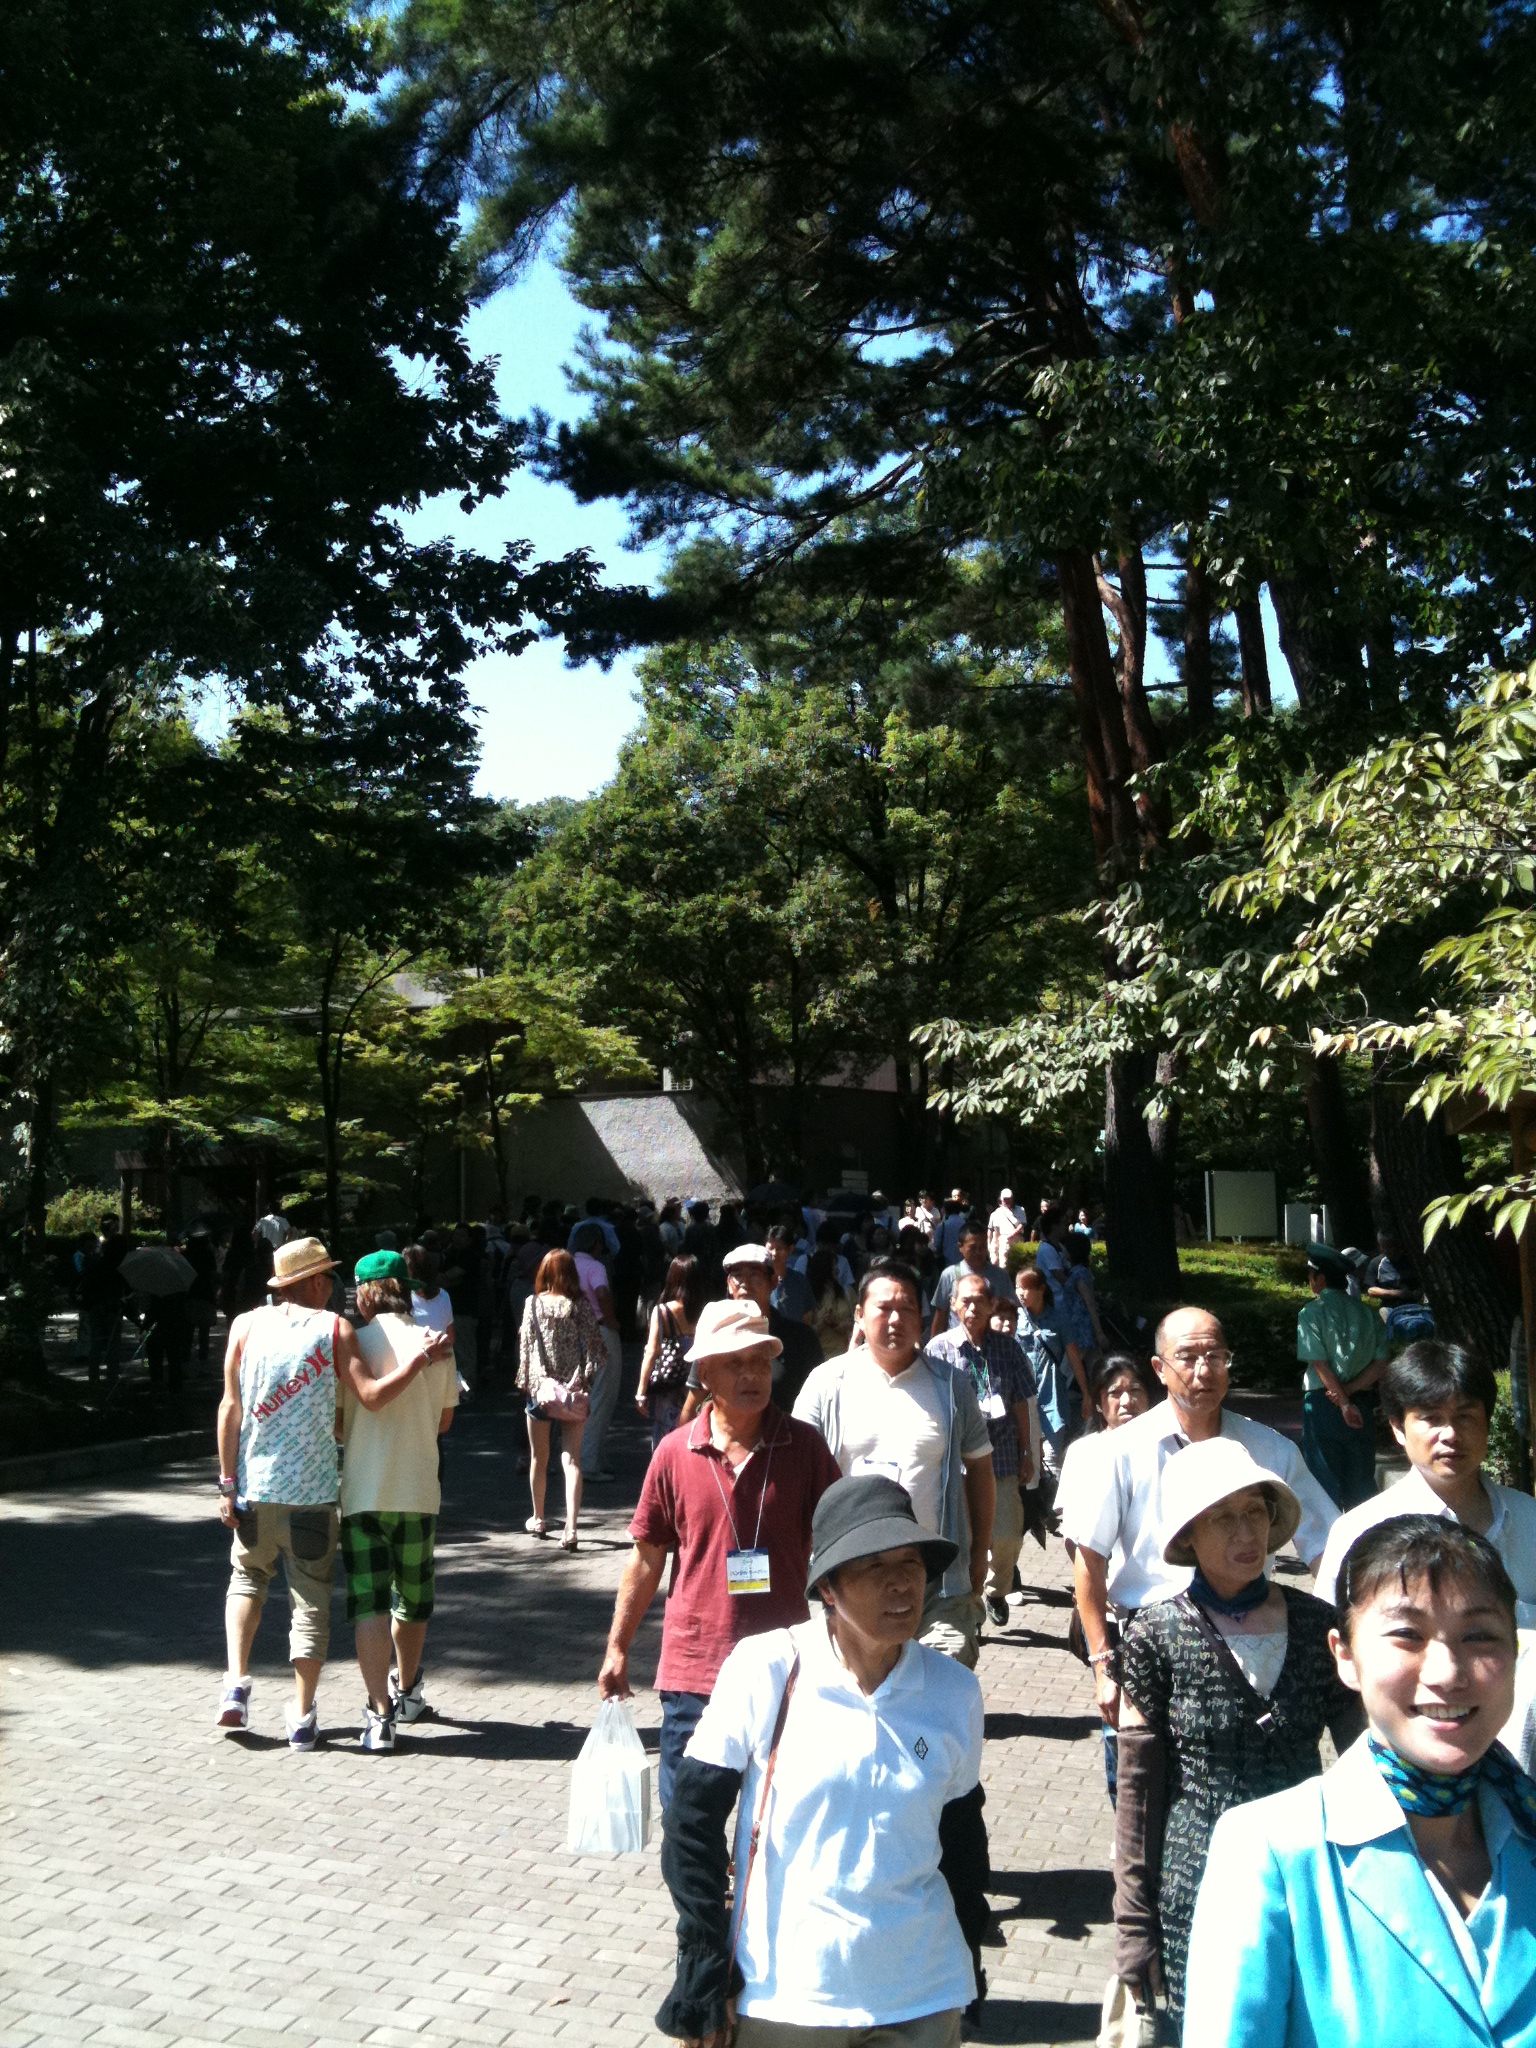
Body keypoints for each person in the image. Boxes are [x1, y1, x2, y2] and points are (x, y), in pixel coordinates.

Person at [655, 1475, 989, 2046]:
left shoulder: (954, 1691)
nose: (900, 1583)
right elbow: (691, 1824)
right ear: (828, 1588)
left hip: (923, 1995)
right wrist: (704, 1971)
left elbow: (962, 1845)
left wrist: (969, 1959)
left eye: (910, 1563)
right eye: (874, 1566)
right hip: (789, 1997)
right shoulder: (767, 1667)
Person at [1184, 1516, 1536, 2048]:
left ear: (1514, 1651)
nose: (1447, 1672)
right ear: (1344, 1656)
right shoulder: (1270, 1852)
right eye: (1407, 1636)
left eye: (1480, 1636)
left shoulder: (1526, 1827)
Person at [1109, 1438, 1362, 2029]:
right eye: (1223, 1517)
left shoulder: (1318, 1627)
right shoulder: (1154, 1635)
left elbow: (1362, 1759)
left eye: (1255, 1511)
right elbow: (1138, 1793)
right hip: (1196, 1883)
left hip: (1305, 1873)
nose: (1246, 1533)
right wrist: (1134, 1924)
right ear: (1189, 1535)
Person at [1057, 1306, 1338, 1772]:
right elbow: (1089, 1559)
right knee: (1142, 1789)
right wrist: (1103, 1665)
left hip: (1248, 1641)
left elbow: (1328, 1548)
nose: (1204, 1371)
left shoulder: (1270, 1450)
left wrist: (1337, 1634)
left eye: (1216, 1356)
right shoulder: (1121, 1451)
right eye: (1188, 1357)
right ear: (1159, 1368)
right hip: (1146, 1646)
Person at [599, 1298, 841, 1807]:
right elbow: (646, 1558)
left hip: (783, 1669)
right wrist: (618, 1647)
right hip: (695, 1670)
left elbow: (840, 1548)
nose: (752, 1374)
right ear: (705, 1373)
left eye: (760, 1361)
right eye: (735, 1362)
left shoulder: (805, 1448)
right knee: (688, 1820)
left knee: (778, 1820)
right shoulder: (674, 1452)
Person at [214, 1235, 448, 1748]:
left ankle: (235, 1683)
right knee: (310, 1605)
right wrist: (419, 1360)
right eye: (329, 1278)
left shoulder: (244, 1325)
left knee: (247, 1579)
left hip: (255, 1486)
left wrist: (227, 1482)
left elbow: (230, 1406)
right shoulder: (335, 1329)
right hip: (316, 1495)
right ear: (316, 1281)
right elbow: (371, 1398)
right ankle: (301, 1717)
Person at [794, 1259, 997, 1668]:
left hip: (936, 1576)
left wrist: (979, 1553)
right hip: (851, 1576)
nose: (895, 1320)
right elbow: (796, 1473)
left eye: (906, 1309)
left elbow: (980, 1469)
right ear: (859, 1314)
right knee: (858, 1685)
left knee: (948, 1672)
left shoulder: (951, 1386)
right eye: (884, 1308)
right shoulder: (827, 1383)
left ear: (921, 1318)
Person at [1314, 1341, 1536, 1615]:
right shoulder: (1358, 1531)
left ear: (1487, 1424)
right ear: (1398, 1428)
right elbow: (1328, 1631)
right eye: (1431, 1418)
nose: (1450, 1435)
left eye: (1465, 1416)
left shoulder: (1530, 1520)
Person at [342, 1251, 459, 1751]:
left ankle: (378, 1715)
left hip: (362, 1491)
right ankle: (408, 1691)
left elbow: (337, 1422)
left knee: (368, 1602)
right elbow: (445, 1421)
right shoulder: (436, 1343)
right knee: (411, 1598)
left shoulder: (352, 1344)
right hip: (417, 1489)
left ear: (366, 1294)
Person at [926, 1271, 1037, 1628]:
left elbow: (1021, 1401)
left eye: (980, 1301)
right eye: (966, 1301)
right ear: (953, 1305)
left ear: (991, 1306)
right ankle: (970, 1604)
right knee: (965, 1541)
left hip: (1001, 1458)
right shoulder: (937, 1350)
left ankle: (996, 1590)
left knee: (1006, 1537)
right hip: (956, 1464)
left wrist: (1027, 1452)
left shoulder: (1008, 1348)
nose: (973, 1308)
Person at [518, 1249, 606, 1548]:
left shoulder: (532, 1304)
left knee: (538, 1458)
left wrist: (529, 1384)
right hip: (573, 1393)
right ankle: (571, 1528)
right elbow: (596, 1348)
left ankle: (538, 1517)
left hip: (541, 1391)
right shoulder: (581, 1305)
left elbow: (526, 1348)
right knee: (572, 1460)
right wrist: (583, 1380)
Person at [1297, 1240, 1390, 1509]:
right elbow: (1381, 1362)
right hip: (1362, 1403)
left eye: (1311, 1275)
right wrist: (1349, 1395)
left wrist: (1342, 1401)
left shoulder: (1311, 1312)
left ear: (1321, 1279)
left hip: (1323, 1403)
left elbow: (1319, 1363)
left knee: (1323, 1484)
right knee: (1361, 1485)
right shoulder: (1367, 1313)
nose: (1310, 1280)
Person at [1015, 1264, 1084, 1481]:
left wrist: (1086, 1394)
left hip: (1052, 1398)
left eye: (1026, 1288)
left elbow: (1074, 1356)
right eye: (1017, 1287)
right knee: (1024, 1464)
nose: (1020, 1293)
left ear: (1041, 1289)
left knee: (1052, 1464)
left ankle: (1053, 1500)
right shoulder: (1014, 1318)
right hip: (1022, 1401)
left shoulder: (1059, 1318)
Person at [636, 1252, 706, 1447]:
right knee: (694, 1430)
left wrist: (641, 1391)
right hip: (697, 1382)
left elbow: (652, 1352)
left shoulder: (663, 1311)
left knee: (666, 1432)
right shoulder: (705, 1310)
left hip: (669, 1384)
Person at [571, 1219, 623, 1483]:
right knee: (602, 1395)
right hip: (599, 1329)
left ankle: (584, 1456)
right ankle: (590, 1462)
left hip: (574, 1332)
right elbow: (601, 1291)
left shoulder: (567, 1264)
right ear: (597, 1244)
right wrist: (611, 1319)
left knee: (578, 1396)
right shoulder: (595, 1266)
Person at [928, 1220, 1014, 1340]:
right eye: (972, 1248)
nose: (978, 1252)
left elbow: (1012, 1311)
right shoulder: (949, 1275)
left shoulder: (1000, 1276)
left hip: (994, 1343)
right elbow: (940, 1315)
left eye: (982, 1247)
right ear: (961, 1247)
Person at [767, 1223, 816, 1322]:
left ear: (790, 1249)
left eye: (779, 1249)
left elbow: (807, 1318)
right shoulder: (759, 1278)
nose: (774, 1253)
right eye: (771, 1248)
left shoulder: (800, 1281)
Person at [987, 1186, 1025, 1273]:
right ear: (1001, 1199)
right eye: (1005, 1199)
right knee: (1004, 1265)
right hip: (1003, 1239)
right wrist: (991, 1245)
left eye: (1008, 1199)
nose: (1007, 1201)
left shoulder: (1020, 1210)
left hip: (1017, 1239)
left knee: (1018, 1264)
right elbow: (993, 1231)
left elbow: (1022, 1225)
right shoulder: (997, 1213)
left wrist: (1012, 1235)